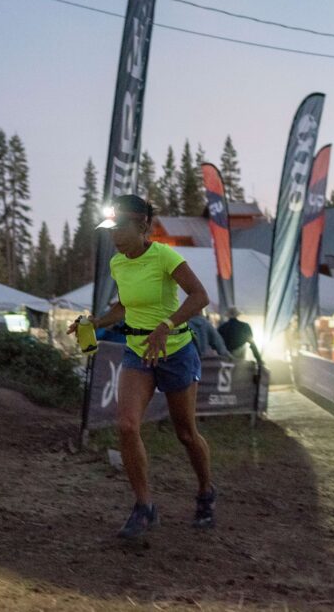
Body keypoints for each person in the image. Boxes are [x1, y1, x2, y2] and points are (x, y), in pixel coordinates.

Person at [69, 194, 215, 538]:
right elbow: (125, 307)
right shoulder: (118, 264)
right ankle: (145, 506)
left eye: (120, 229)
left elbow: (200, 296)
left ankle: (206, 491)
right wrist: (96, 322)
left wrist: (167, 325)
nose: (114, 237)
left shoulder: (164, 255)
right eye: (111, 230)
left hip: (176, 350)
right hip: (138, 351)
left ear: (142, 226)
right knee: (126, 425)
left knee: (185, 433)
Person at [218, 307, 263, 378]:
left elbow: (217, 345)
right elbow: (252, 344)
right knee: (238, 374)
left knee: (228, 375)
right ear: (237, 315)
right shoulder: (245, 326)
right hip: (240, 355)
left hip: (226, 355)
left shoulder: (222, 328)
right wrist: (258, 359)